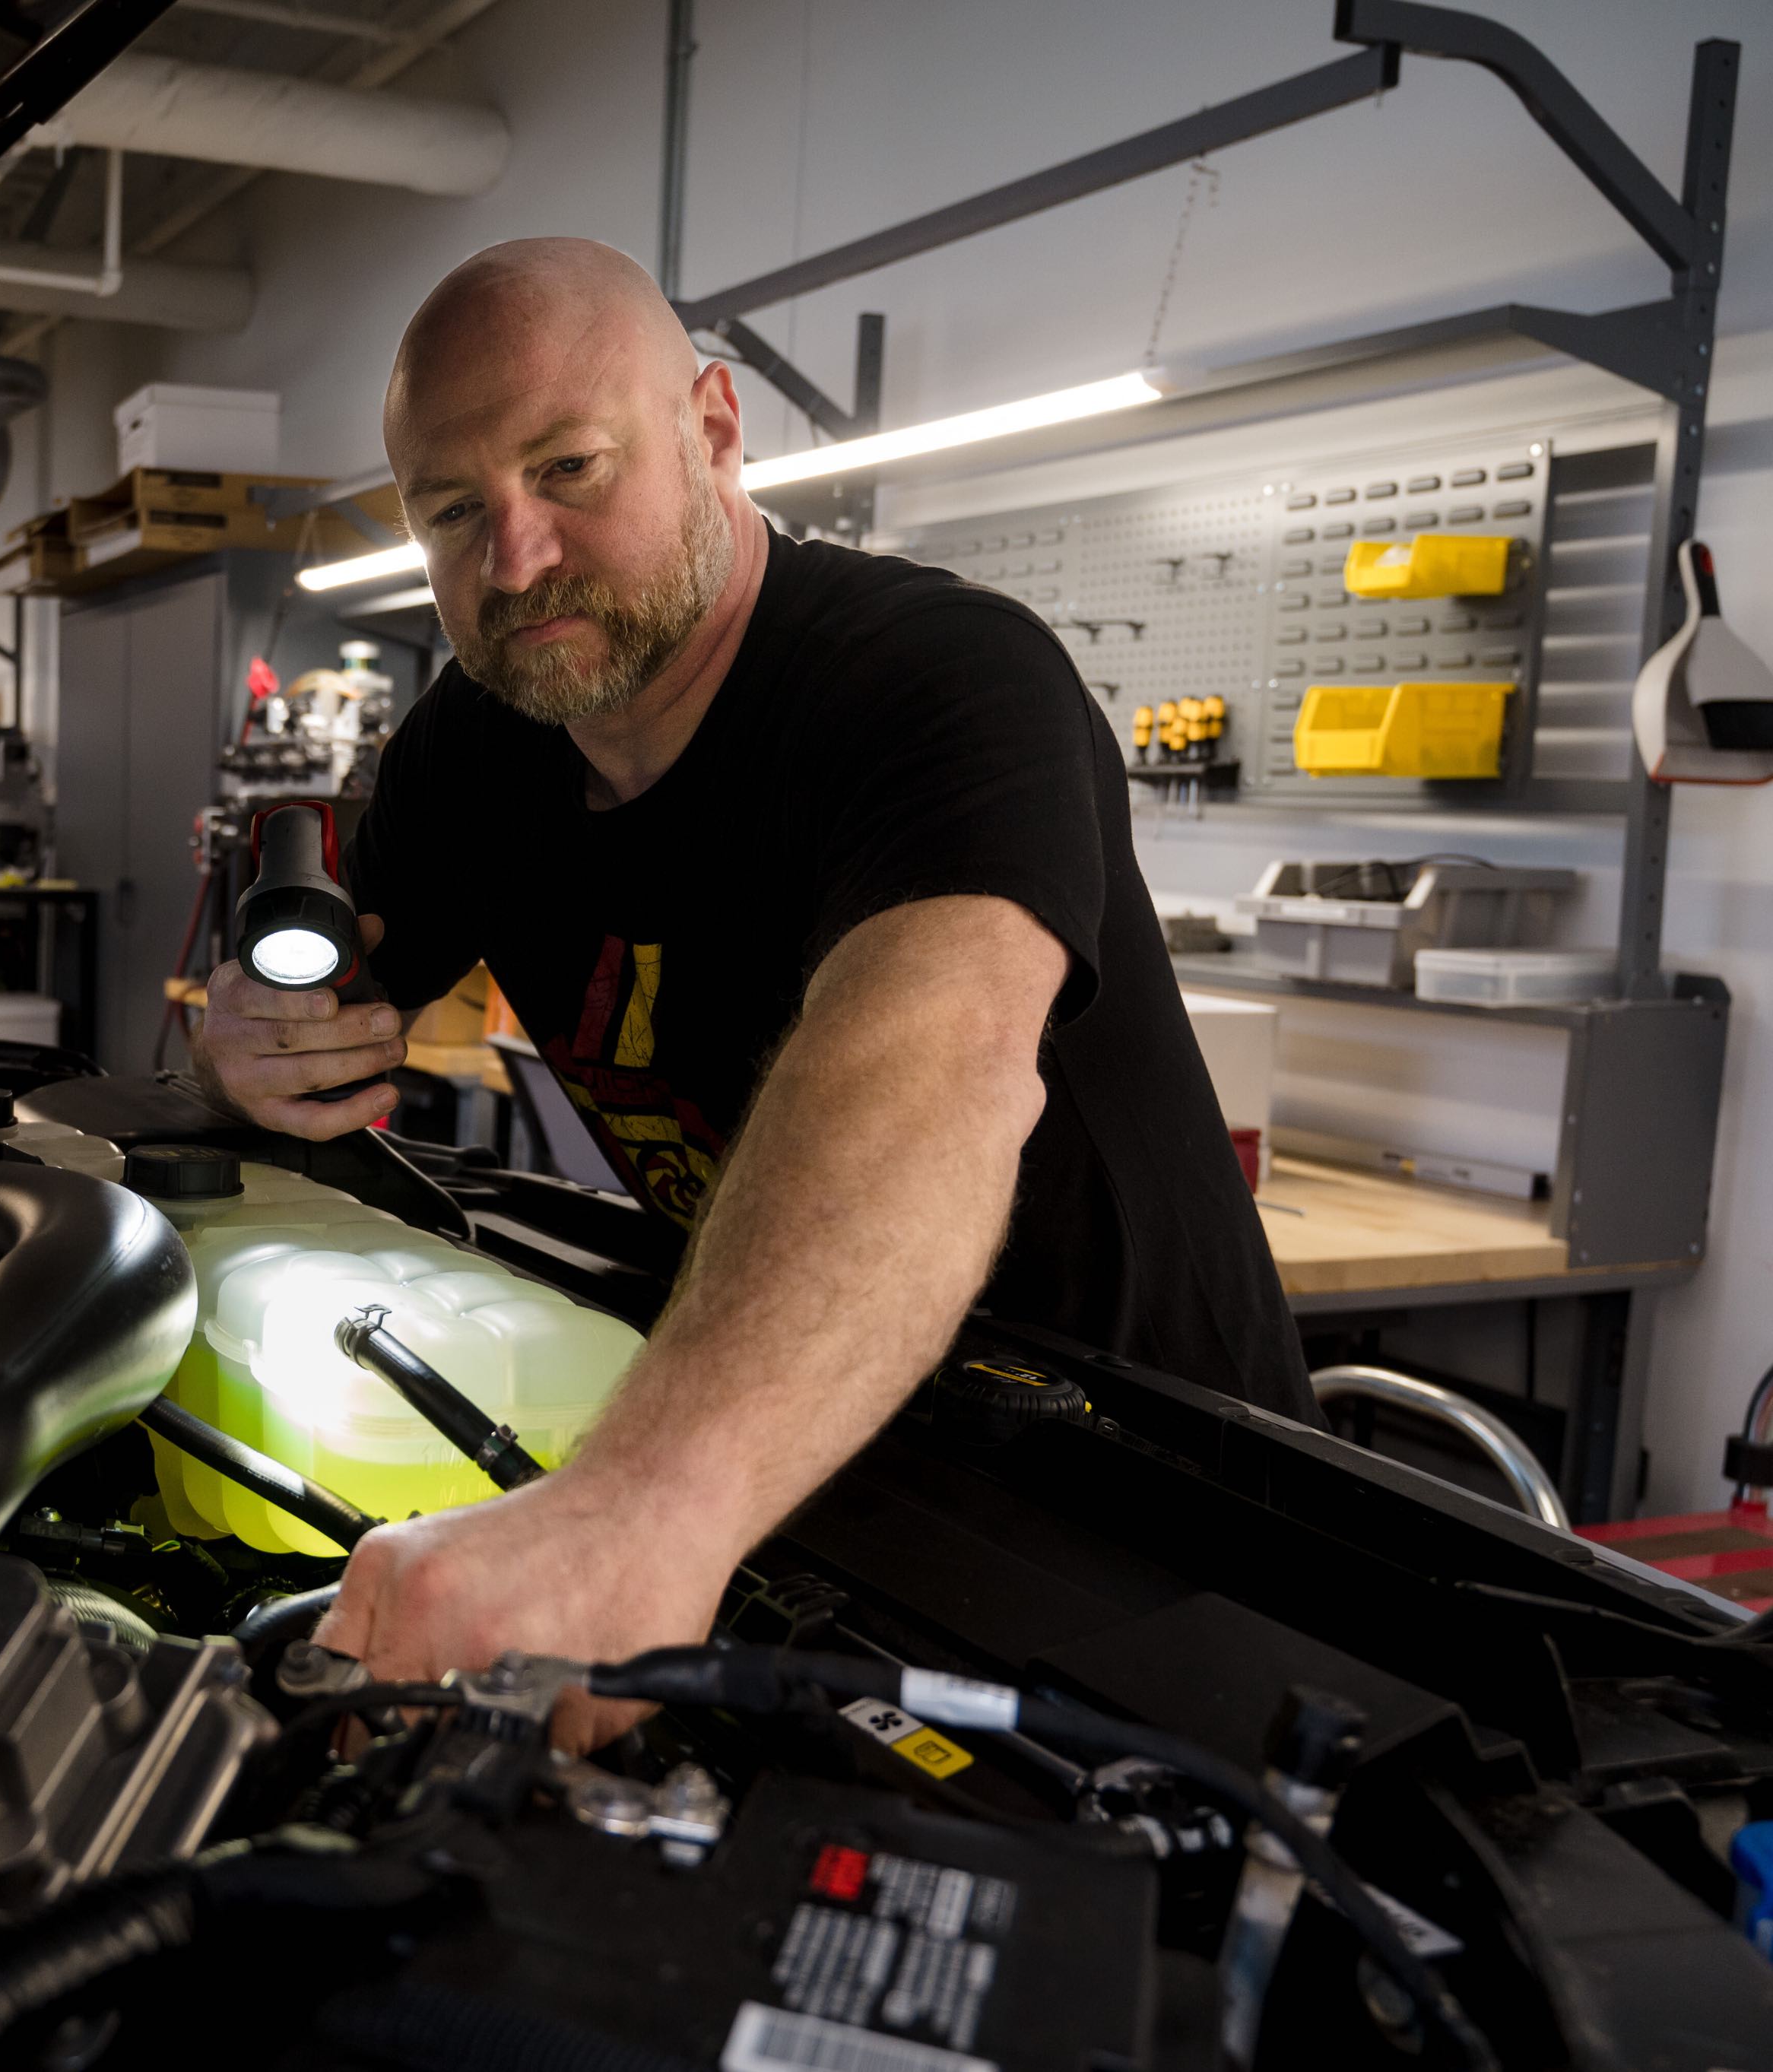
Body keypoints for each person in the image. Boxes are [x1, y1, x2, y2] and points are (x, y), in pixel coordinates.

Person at [186, 236, 1313, 1747]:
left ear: (711, 430)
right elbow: (325, 1005)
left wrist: (639, 1508)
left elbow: (923, 1069)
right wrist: (262, 1044)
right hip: (808, 1468)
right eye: (453, 513)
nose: (513, 559)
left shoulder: (938, 684)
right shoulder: (487, 742)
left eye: (568, 469)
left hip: (1147, 1518)